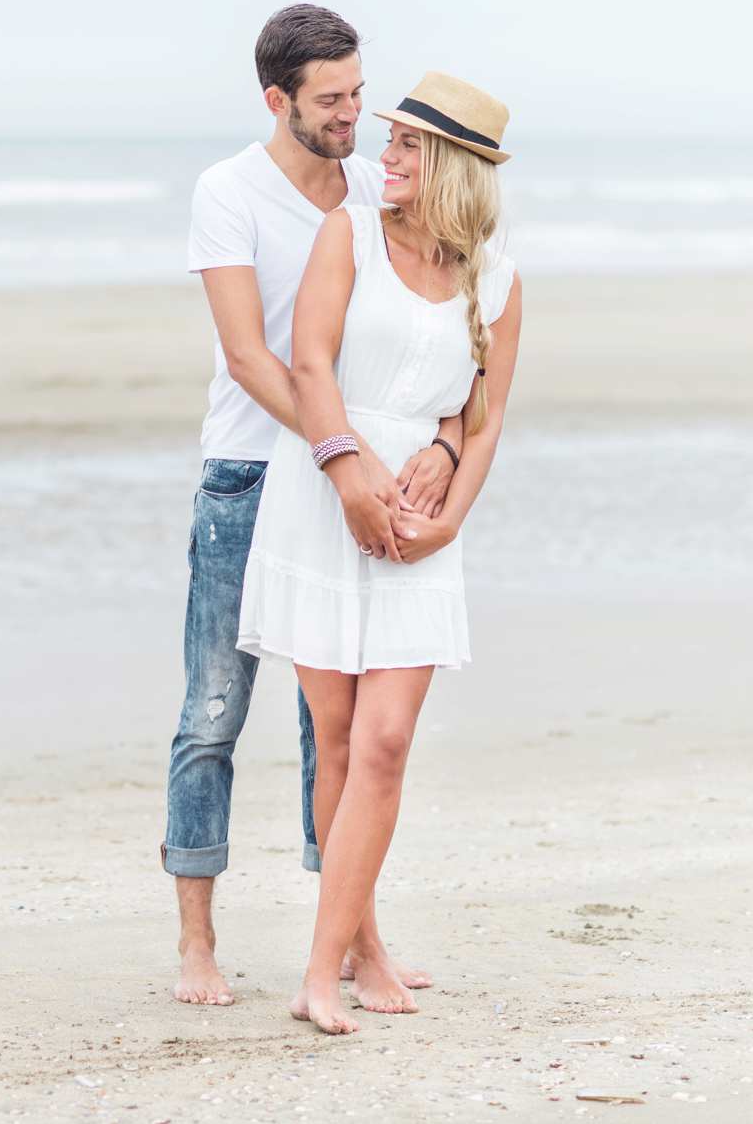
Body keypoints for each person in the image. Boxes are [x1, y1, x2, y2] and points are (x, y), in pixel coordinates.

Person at [165, 7, 461, 1006]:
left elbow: (432, 333)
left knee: (330, 733)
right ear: (276, 100)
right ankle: (196, 945)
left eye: (354, 92)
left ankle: (350, 943)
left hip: (345, 484)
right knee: (213, 711)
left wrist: (422, 446)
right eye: (330, 99)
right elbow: (252, 356)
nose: (353, 114)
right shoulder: (227, 193)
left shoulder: (376, 195)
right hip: (249, 478)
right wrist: (343, 456)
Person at [235, 70, 522, 1033]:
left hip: (417, 523)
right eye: (386, 138)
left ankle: (341, 953)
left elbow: (482, 419)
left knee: (387, 742)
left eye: (405, 145)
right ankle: (342, 962)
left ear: (448, 164)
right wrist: (347, 471)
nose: (383, 155)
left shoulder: (497, 274)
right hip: (324, 498)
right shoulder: (347, 235)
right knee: (339, 736)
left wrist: (450, 503)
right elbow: (309, 362)